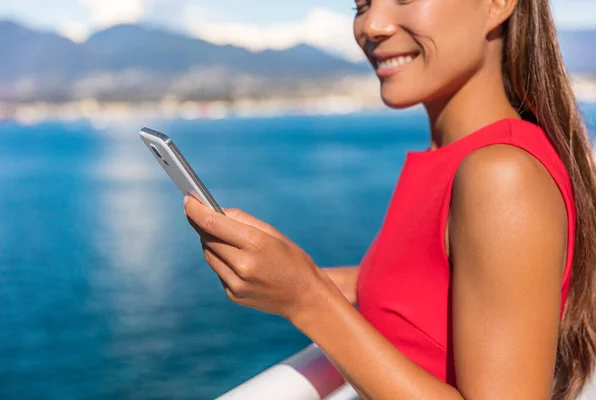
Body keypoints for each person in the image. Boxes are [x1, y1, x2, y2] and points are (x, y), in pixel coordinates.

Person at [183, 0, 596, 398]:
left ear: (497, 4)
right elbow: (411, 290)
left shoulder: (502, 174)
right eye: (361, 5)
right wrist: (283, 269)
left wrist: (307, 299)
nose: (372, 26)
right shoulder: (457, 160)